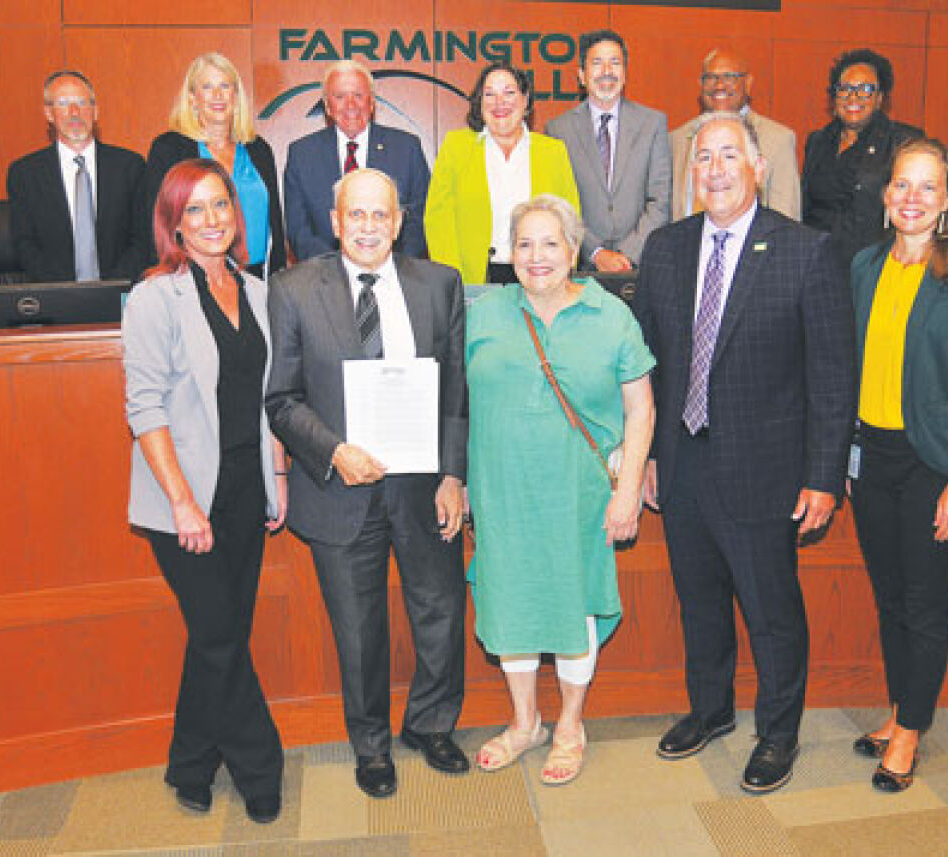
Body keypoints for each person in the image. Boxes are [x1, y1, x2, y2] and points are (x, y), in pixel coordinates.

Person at [634, 113, 856, 793]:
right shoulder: (666, 248)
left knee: (770, 607)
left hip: (766, 468)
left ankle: (778, 731)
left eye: (731, 155)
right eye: (704, 158)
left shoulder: (805, 249)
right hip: (682, 459)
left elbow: (832, 375)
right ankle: (711, 708)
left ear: (758, 167)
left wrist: (824, 476)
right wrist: (642, 456)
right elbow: (649, 365)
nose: (717, 169)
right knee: (699, 599)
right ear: (690, 173)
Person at [265, 168, 469, 799]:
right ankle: (371, 745)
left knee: (439, 611)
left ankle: (432, 725)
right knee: (358, 628)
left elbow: (456, 389)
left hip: (421, 485)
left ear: (400, 221)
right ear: (334, 221)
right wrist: (334, 452)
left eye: (381, 215)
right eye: (356, 215)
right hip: (339, 487)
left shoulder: (439, 284)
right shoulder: (294, 289)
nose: (369, 227)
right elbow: (282, 399)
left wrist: (454, 473)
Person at [467, 195, 655, 785]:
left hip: (579, 495)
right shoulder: (483, 313)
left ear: (574, 251)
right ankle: (525, 723)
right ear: (508, 254)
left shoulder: (611, 315)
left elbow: (641, 409)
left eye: (551, 243)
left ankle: (570, 724)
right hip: (502, 491)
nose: (537, 256)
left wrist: (627, 492)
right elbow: (454, 404)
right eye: (524, 244)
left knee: (573, 604)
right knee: (513, 601)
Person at [122, 158, 286, 823]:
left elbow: (268, 397)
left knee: (218, 635)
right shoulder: (156, 296)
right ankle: (259, 765)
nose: (212, 219)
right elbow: (145, 407)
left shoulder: (258, 289)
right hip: (182, 498)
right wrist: (184, 501)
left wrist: (277, 477)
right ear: (173, 223)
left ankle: (190, 760)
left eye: (221, 205)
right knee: (221, 636)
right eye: (195, 210)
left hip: (247, 490)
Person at [848, 138, 948, 792]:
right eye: (901, 186)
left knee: (924, 603)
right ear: (886, 196)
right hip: (872, 460)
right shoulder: (862, 265)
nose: (912, 198)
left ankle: (912, 728)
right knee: (889, 599)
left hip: (936, 464)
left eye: (927, 188)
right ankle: (898, 708)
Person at [425, 62, 580, 284]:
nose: (500, 103)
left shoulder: (552, 151)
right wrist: (452, 279)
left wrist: (562, 272)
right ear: (479, 103)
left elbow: (570, 219)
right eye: (490, 94)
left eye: (509, 93)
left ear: (525, 100)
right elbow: (437, 220)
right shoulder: (456, 147)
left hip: (539, 273)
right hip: (474, 279)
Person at [141, 53, 285, 278]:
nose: (217, 95)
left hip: (257, 280)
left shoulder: (258, 150)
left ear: (236, 97)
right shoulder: (169, 149)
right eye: (207, 87)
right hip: (191, 277)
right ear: (192, 98)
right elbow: (156, 222)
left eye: (225, 86)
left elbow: (275, 226)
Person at [544, 30, 670, 272]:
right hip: (581, 267)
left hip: (640, 265)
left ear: (625, 73)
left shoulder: (652, 123)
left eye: (615, 63)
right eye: (597, 63)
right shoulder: (558, 129)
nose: (607, 72)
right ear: (581, 75)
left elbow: (660, 201)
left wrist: (627, 254)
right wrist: (597, 253)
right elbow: (559, 205)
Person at [284, 60, 430, 261]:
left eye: (359, 96)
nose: (350, 105)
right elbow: (299, 230)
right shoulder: (301, 154)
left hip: (394, 275)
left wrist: (393, 268)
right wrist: (337, 272)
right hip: (325, 279)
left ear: (371, 103)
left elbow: (419, 220)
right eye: (340, 97)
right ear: (327, 106)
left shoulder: (407, 148)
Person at [7, 70, 146, 282]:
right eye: (62, 103)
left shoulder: (130, 167)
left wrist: (111, 288)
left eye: (82, 102)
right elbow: (25, 245)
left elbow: (143, 239)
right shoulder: (25, 174)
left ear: (96, 111)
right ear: (49, 113)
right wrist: (67, 295)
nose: (74, 112)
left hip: (121, 295)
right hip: (55, 298)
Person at [802, 48, 922, 271]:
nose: (853, 97)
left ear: (879, 99)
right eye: (845, 88)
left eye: (865, 89)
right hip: (816, 264)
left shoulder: (904, 142)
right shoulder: (818, 141)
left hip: (874, 266)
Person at [670, 48, 800, 222]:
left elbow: (786, 219)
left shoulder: (777, 140)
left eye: (729, 77)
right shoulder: (677, 139)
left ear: (748, 83)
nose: (719, 85)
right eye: (711, 78)